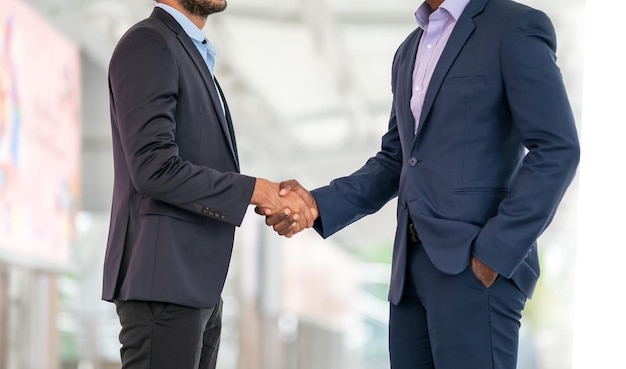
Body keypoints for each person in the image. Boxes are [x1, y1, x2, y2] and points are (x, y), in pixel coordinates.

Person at [262, 0, 580, 368]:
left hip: (474, 270)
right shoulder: (409, 50)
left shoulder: (515, 27)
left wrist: (495, 252)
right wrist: (317, 204)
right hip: (408, 275)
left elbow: (558, 148)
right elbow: (396, 161)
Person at [101, 0, 316, 368]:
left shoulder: (191, 55)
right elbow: (153, 167)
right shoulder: (149, 44)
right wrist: (254, 190)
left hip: (195, 289)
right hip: (163, 284)